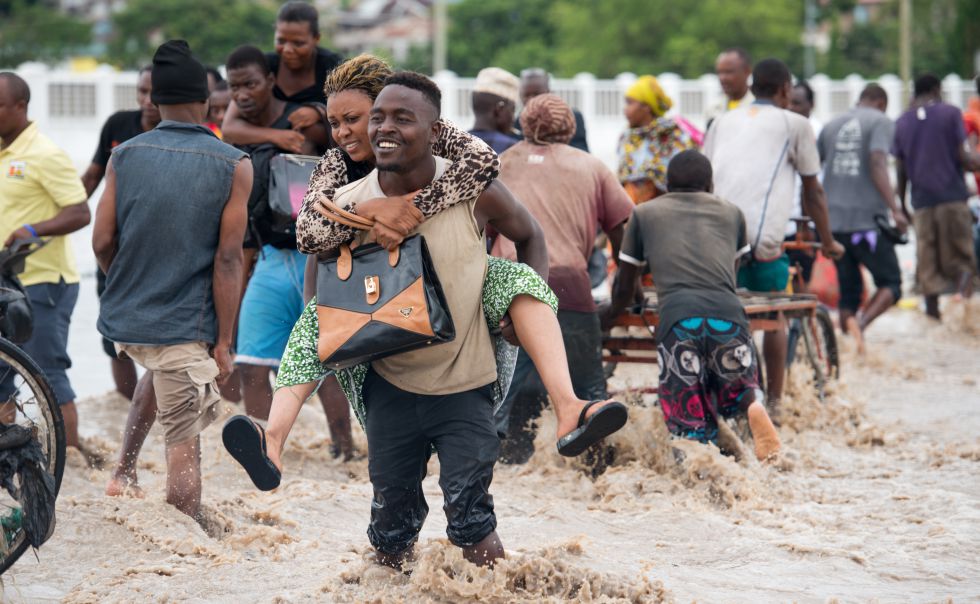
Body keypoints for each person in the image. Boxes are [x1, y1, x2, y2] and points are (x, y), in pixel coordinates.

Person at [227, 72, 619, 569]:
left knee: (473, 523)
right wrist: (338, 339)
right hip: (390, 387)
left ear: (435, 131)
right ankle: (273, 439)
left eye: (401, 118)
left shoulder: (471, 185)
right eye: (376, 119)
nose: (381, 128)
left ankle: (570, 409)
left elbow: (530, 234)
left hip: (466, 386)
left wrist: (512, 317)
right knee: (390, 538)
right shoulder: (343, 201)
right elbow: (316, 273)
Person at [92, 40, 252, 519]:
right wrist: (224, 342)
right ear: (205, 100)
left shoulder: (123, 156)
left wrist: (126, 285)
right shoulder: (233, 163)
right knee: (183, 444)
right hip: (185, 321)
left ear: (155, 100)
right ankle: (183, 537)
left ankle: (122, 474)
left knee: (158, 372)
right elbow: (228, 260)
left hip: (127, 318)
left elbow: (102, 242)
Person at [603, 150, 781, 462]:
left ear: (667, 185)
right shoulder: (732, 212)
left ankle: (698, 465)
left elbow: (625, 284)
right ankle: (752, 403)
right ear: (710, 185)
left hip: (679, 321)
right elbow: (731, 274)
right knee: (738, 386)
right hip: (728, 317)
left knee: (686, 415)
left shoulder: (644, 214)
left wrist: (605, 317)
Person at [491, 93, 634, 463]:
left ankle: (495, 466)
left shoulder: (501, 164)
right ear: (569, 127)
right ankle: (597, 468)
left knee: (501, 393)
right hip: (570, 288)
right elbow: (625, 235)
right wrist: (624, 292)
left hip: (511, 289)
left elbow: (479, 233)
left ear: (522, 123)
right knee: (590, 388)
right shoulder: (592, 167)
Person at [226, 44, 352, 455]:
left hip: (318, 256)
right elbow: (229, 130)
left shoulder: (303, 120)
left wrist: (315, 116)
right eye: (234, 87)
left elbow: (335, 147)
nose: (242, 94)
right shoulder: (240, 127)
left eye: (250, 84)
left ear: (270, 81)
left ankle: (345, 449)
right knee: (251, 363)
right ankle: (264, 450)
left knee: (327, 359)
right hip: (269, 256)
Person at [704, 58, 844, 413]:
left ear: (752, 87)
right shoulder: (795, 123)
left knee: (728, 316)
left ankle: (726, 396)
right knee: (775, 316)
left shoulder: (721, 121)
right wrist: (828, 242)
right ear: (785, 89)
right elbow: (813, 191)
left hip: (714, 241)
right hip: (760, 243)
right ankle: (777, 405)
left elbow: (707, 181)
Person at [0, 72, 91, 454]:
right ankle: (10, 460)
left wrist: (32, 230)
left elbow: (80, 212)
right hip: (6, 285)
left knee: (46, 372)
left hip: (44, 283)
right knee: (2, 378)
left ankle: (70, 461)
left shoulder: (45, 153)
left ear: (21, 106)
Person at [81, 65, 160, 402]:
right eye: (142, 91)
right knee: (115, 337)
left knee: (164, 339)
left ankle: (158, 406)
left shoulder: (184, 135)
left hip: (159, 249)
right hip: (114, 249)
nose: (148, 99)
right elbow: (91, 177)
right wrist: (63, 215)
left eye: (154, 92)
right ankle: (128, 408)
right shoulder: (118, 125)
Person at [819, 84, 908, 352]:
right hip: (867, 225)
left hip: (834, 226)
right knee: (891, 283)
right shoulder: (880, 121)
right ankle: (862, 323)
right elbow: (878, 162)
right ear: (881, 103)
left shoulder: (831, 125)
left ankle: (847, 344)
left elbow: (812, 171)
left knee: (848, 292)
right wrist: (895, 209)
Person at [893, 74, 979, 320]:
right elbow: (965, 158)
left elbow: (900, 170)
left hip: (921, 203)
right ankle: (963, 313)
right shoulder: (951, 113)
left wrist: (902, 205)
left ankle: (933, 317)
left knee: (927, 266)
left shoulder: (902, 121)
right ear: (936, 90)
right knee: (962, 259)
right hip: (953, 198)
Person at [221, 1, 342, 152]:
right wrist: (276, 136)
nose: (287, 49)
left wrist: (320, 111)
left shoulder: (333, 68)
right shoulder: (265, 66)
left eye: (298, 43)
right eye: (281, 41)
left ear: (316, 38)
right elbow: (229, 127)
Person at [617, 74, 697, 204]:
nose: (625, 109)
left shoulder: (672, 134)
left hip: (667, 207)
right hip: (631, 210)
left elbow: (683, 178)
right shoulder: (627, 137)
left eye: (630, 103)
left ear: (646, 107)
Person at [784, 79, 823, 288]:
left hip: (804, 222)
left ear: (811, 104)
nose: (792, 108)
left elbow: (811, 184)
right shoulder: (784, 129)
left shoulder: (816, 131)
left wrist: (807, 224)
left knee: (801, 281)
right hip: (784, 221)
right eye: (789, 102)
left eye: (797, 103)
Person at [514, 68, 589, 153]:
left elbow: (582, 152)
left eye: (536, 94)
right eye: (526, 95)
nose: (531, 100)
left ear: (549, 92)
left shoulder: (572, 117)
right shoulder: (517, 122)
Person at [468, 67, 520, 154]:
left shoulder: (453, 143)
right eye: (512, 110)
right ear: (499, 109)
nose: (513, 118)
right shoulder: (512, 149)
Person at [707, 48, 754, 125]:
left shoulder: (759, 108)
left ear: (747, 71)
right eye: (719, 72)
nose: (722, 78)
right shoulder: (714, 109)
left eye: (728, 72)